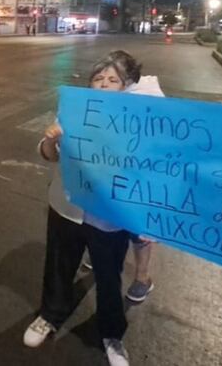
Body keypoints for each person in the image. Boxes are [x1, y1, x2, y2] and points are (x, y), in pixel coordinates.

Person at [23, 53, 139, 366]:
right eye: (98, 79)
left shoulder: (134, 122)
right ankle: (49, 315)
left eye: (112, 80)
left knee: (108, 277)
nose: (104, 85)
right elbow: (48, 154)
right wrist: (50, 140)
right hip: (66, 207)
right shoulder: (72, 112)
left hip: (109, 216)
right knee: (59, 266)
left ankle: (111, 335)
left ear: (125, 87)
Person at [108, 50, 165, 304]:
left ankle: (142, 278)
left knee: (139, 233)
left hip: (139, 181)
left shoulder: (149, 98)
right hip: (109, 177)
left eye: (115, 76)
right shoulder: (105, 96)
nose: (109, 81)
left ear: (130, 77)